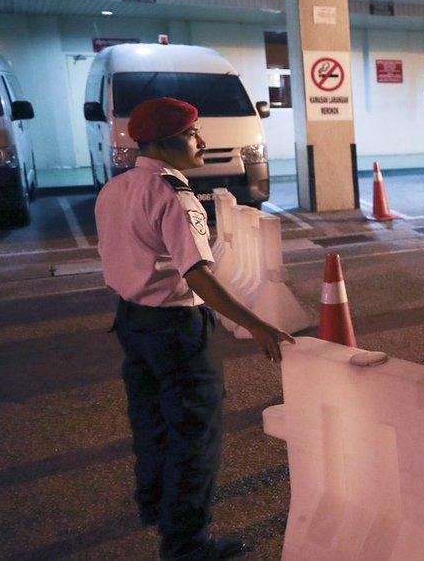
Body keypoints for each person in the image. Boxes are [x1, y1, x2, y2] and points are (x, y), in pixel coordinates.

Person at [94, 97, 294, 560]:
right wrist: (257, 325)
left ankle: (155, 504)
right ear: (164, 144)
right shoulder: (172, 194)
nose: (201, 141)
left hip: (131, 320)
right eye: (192, 134)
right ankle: (186, 542)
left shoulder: (116, 189)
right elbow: (198, 274)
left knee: (151, 421)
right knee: (194, 432)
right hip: (175, 328)